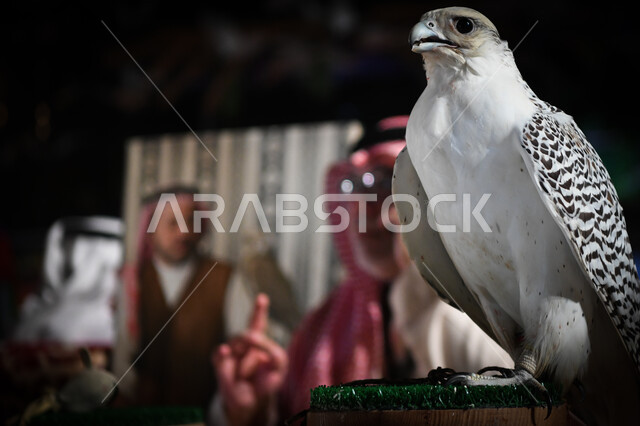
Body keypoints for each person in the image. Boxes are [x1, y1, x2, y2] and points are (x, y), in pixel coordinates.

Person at [212, 117, 511, 425]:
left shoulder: (480, 315)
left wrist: (422, 271)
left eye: (383, 181)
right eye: (352, 185)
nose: (360, 204)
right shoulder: (323, 324)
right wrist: (253, 411)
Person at [117, 186, 238, 408]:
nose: (183, 233)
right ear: (150, 229)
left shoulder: (224, 278)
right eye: (173, 223)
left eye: (191, 222)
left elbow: (240, 350)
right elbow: (120, 356)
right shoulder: (130, 281)